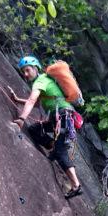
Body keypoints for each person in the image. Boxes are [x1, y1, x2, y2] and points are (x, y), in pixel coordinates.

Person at [9, 55, 83, 199]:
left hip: (63, 116)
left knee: (61, 152)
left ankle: (76, 185)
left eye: (27, 70)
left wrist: (21, 119)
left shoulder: (41, 81)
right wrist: (17, 100)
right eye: (23, 71)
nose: (25, 74)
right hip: (60, 117)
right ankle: (52, 145)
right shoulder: (42, 81)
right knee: (34, 129)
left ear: (35, 68)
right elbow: (37, 103)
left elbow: (32, 101)